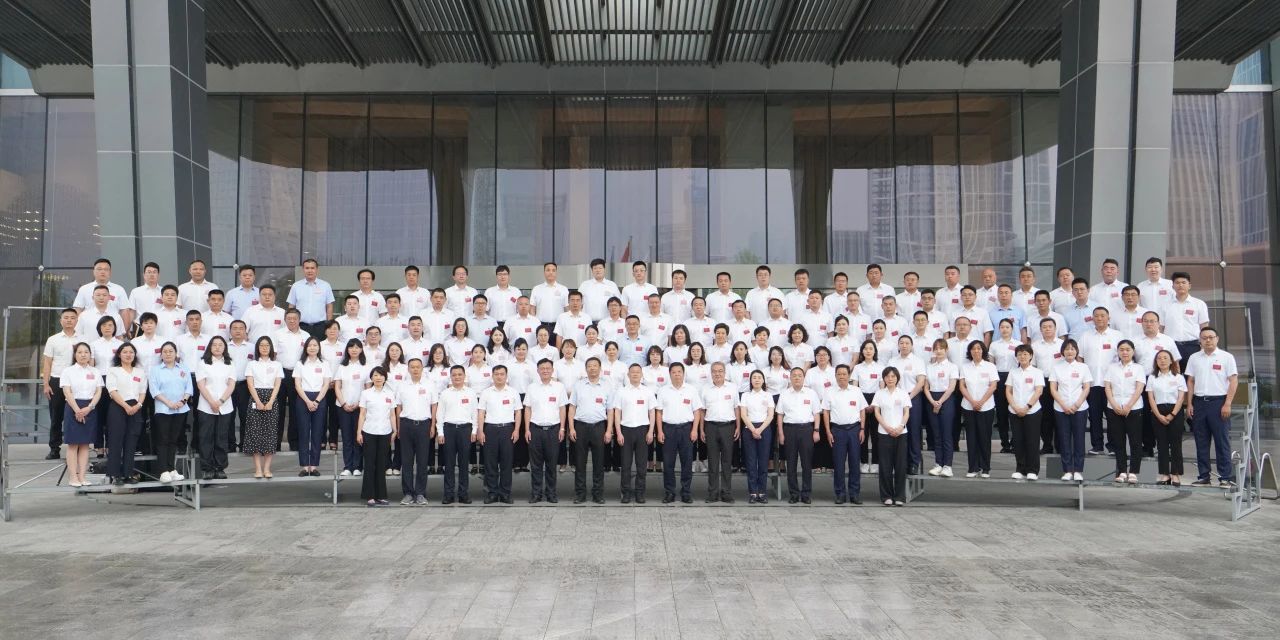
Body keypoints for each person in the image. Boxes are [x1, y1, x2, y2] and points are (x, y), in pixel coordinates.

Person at [1185, 327, 1238, 488]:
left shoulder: (1226, 357)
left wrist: (1227, 403)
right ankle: (1204, 476)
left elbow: (1233, 381)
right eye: (1204, 338)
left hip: (1218, 403)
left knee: (1222, 441)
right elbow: (1190, 381)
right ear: (1200, 341)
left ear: (1217, 339)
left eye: (1210, 337)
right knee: (1201, 441)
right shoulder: (1194, 358)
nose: (1207, 340)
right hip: (1199, 403)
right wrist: (1190, 403)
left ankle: (1225, 477)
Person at [1078, 306, 1122, 455]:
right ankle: (1097, 445)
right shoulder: (1086, 336)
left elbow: (1123, 356)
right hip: (1091, 383)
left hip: (1111, 384)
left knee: (1112, 416)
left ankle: (1113, 446)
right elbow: (1080, 358)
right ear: (1092, 319)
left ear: (1108, 318)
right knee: (1094, 416)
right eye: (1096, 316)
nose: (1099, 318)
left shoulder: (1117, 335)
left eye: (1103, 315)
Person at [570, 357, 613, 504]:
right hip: (580, 427)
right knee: (579, 463)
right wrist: (571, 427)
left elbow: (610, 410)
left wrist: (609, 430)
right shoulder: (578, 385)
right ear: (586, 368)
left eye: (595, 366)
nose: (592, 368)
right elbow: (572, 408)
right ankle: (580, 494)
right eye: (589, 366)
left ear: (600, 368)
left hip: (599, 427)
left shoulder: (607, 386)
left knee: (599, 463)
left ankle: (598, 494)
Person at [656, 362, 701, 504]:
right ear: (670, 374)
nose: (677, 374)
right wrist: (660, 431)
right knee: (668, 463)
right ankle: (669, 492)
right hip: (668, 429)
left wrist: (694, 430)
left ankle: (686, 492)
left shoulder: (691, 390)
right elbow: (659, 412)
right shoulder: (663, 390)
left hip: (686, 429)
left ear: (683, 373)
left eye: (679, 372)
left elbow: (697, 411)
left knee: (687, 463)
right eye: (674, 372)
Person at [524, 359, 568, 502]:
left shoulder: (559, 387)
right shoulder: (531, 387)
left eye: (548, 368)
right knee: (536, 465)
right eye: (542, 368)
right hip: (535, 429)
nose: (545, 371)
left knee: (551, 464)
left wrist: (562, 428)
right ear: (537, 371)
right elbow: (528, 409)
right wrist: (527, 429)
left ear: (552, 370)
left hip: (553, 429)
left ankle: (551, 493)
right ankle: (536, 494)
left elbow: (562, 408)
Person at [61, 342, 103, 487]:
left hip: (90, 407)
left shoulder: (95, 372)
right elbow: (67, 392)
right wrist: (77, 410)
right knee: (73, 444)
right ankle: (73, 477)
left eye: (86, 352)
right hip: (73, 406)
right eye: (79, 352)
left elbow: (98, 391)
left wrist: (89, 407)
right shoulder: (68, 371)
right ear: (75, 355)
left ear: (90, 355)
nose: (83, 355)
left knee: (85, 444)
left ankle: (82, 476)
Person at [1104, 340, 1146, 484]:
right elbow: (1107, 387)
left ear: (1133, 351)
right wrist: (1114, 404)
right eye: (1121, 349)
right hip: (1114, 407)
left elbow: (1139, 388)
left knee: (1135, 441)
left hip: (1134, 408)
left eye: (1128, 349)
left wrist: (1128, 406)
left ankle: (1133, 471)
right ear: (1118, 352)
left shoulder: (1138, 368)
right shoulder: (1112, 368)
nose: (1125, 352)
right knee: (1118, 441)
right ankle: (1121, 471)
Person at [776, 367, 821, 504]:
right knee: (791, 464)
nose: (797, 378)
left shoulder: (811, 393)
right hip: (789, 430)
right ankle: (794, 494)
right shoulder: (784, 394)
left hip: (806, 430)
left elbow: (816, 413)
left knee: (807, 464)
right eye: (794, 375)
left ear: (803, 378)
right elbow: (780, 415)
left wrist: (816, 430)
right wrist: (781, 433)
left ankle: (806, 494)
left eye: (799, 375)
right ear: (790, 378)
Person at [104, 342, 146, 485]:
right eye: (125, 352)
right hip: (118, 406)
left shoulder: (140, 372)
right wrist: (126, 406)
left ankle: (128, 473)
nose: (128, 355)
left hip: (136, 407)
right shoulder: (113, 371)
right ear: (119, 354)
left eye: (131, 352)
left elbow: (143, 391)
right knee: (116, 441)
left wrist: (138, 405)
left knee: (131, 442)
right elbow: (112, 390)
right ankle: (115, 475)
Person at [1049, 339, 1091, 482]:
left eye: (1072, 349)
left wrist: (1077, 405)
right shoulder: (1056, 367)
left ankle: (1078, 470)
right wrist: (1063, 405)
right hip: (1061, 409)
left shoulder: (1083, 367)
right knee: (1064, 439)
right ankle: (1067, 470)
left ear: (1077, 351)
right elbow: (1053, 389)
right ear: (1062, 351)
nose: (1070, 351)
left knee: (1079, 439)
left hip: (1080, 408)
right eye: (1067, 349)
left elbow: (1086, 387)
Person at [478, 364, 520, 504]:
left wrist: (516, 430)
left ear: (506, 376)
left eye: (502, 374)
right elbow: (481, 412)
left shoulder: (513, 392)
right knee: (490, 463)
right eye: (496, 374)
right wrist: (480, 431)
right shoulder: (486, 393)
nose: (499, 376)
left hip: (507, 429)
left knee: (506, 463)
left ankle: (505, 493)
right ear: (492, 376)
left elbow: (518, 412)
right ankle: (492, 493)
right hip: (490, 429)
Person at [148, 342, 190, 484]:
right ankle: (163, 470)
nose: (168, 354)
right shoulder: (155, 370)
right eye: (165, 351)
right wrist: (169, 403)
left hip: (180, 409)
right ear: (161, 355)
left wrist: (182, 401)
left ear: (176, 353)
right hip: (163, 409)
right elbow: (154, 390)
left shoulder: (183, 368)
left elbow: (189, 388)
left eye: (171, 351)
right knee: (163, 439)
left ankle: (172, 469)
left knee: (174, 439)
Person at [195, 335, 235, 480]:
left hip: (225, 406)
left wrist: (221, 401)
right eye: (214, 345)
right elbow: (201, 385)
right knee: (206, 437)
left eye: (220, 345)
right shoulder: (203, 363)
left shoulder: (230, 363)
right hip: (206, 406)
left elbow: (231, 384)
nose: (217, 347)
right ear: (210, 347)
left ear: (225, 347)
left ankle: (220, 467)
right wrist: (212, 402)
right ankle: (207, 468)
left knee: (221, 437)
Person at [436, 365, 478, 504]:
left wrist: (474, 430)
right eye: (454, 375)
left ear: (464, 376)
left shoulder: (471, 393)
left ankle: (463, 494)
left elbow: (475, 413)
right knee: (449, 464)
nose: (457, 377)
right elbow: (440, 414)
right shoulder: (445, 393)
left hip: (465, 429)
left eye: (460, 374)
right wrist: (440, 432)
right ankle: (448, 494)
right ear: (451, 377)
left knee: (464, 464)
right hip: (449, 429)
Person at [41, 308, 79, 461]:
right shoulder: (53, 339)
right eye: (66, 317)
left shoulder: (83, 339)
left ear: (76, 320)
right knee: (56, 417)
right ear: (61, 320)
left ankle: (76, 447)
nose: (69, 320)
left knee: (76, 415)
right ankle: (54, 449)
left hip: (76, 382)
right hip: (57, 381)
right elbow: (47, 363)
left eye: (72, 317)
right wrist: (46, 384)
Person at [395, 358, 435, 505]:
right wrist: (399, 427)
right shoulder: (402, 386)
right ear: (408, 369)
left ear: (422, 368)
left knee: (422, 461)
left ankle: (420, 493)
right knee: (407, 461)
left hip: (424, 425)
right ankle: (408, 493)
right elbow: (398, 407)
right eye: (412, 367)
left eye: (418, 367)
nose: (415, 369)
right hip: (406, 424)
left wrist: (433, 425)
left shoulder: (430, 385)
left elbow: (434, 406)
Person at [356, 367, 398, 506]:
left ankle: (381, 495)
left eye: (381, 375)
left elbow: (392, 415)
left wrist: (395, 430)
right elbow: (362, 414)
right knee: (369, 464)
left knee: (381, 464)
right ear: (372, 378)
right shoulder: (366, 393)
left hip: (385, 432)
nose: (378, 378)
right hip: (369, 431)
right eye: (375, 375)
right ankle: (369, 495)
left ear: (385, 378)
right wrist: (359, 432)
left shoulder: (390, 394)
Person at [824, 364, 865, 504]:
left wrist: (862, 429)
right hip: (837, 430)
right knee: (839, 464)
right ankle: (840, 494)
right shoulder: (829, 391)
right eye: (839, 374)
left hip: (854, 430)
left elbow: (862, 410)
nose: (841, 376)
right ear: (835, 376)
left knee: (854, 463)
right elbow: (826, 412)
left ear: (849, 376)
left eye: (844, 374)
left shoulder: (856, 391)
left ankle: (854, 494)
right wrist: (828, 431)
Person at [1147, 350, 1188, 486]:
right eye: (1159, 358)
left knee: (1176, 443)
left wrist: (1172, 414)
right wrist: (1158, 415)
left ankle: (1175, 473)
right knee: (1162, 444)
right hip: (1157, 411)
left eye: (1165, 358)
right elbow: (1151, 398)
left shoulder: (1178, 377)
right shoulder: (1152, 377)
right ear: (1156, 362)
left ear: (1171, 361)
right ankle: (1164, 474)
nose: (1162, 360)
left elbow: (1181, 398)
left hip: (1175, 411)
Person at [700, 362, 739, 503]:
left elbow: (736, 408)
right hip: (710, 426)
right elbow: (702, 411)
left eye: (720, 371)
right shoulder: (705, 389)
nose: (717, 374)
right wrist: (701, 429)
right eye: (715, 371)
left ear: (724, 372)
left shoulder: (732, 388)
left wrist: (738, 427)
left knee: (727, 462)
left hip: (728, 427)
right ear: (711, 373)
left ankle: (726, 492)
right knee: (713, 461)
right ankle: (713, 492)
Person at [244, 336, 282, 479]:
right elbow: (250, 384)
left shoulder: (277, 364)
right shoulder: (252, 364)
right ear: (257, 348)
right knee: (255, 432)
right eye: (261, 345)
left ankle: (267, 469)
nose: (264, 348)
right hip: (256, 396)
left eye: (267, 345)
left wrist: (271, 401)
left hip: (272, 397)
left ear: (271, 348)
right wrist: (258, 401)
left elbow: (277, 384)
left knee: (270, 433)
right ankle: (258, 469)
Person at [886, 336, 926, 475]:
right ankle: (899, 463)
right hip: (895, 398)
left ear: (912, 345)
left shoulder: (918, 361)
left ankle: (914, 463)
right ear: (898, 345)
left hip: (913, 397)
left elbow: (921, 382)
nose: (904, 345)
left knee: (913, 431)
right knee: (898, 430)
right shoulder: (892, 361)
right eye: (901, 343)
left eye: (907, 343)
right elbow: (887, 379)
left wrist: (908, 398)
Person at [872, 367, 911, 506]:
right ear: (884, 378)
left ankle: (900, 496)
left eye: (893, 376)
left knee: (900, 465)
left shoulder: (903, 393)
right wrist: (887, 427)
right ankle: (886, 496)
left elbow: (906, 412)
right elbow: (877, 412)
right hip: (884, 433)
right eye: (887, 376)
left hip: (901, 433)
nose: (890, 379)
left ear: (897, 378)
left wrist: (900, 426)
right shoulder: (879, 394)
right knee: (885, 466)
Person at [958, 340, 997, 478]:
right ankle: (973, 467)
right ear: (970, 352)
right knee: (971, 438)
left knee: (985, 437)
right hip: (968, 406)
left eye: (979, 348)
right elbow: (962, 386)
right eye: (973, 349)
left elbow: (993, 386)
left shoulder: (990, 366)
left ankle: (985, 468)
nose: (976, 351)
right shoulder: (965, 367)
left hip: (986, 407)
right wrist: (972, 401)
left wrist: (981, 402)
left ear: (983, 351)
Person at [1006, 344, 1044, 480]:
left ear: (1031, 356)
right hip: (1015, 411)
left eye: (1025, 354)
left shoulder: (1037, 372)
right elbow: (1008, 391)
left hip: (1032, 411)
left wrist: (1027, 407)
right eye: (1019, 354)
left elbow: (1038, 391)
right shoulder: (1013, 372)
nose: (1022, 356)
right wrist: (1015, 407)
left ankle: (1032, 470)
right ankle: (1020, 469)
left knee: (1032, 441)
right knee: (1018, 440)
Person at [293, 338, 331, 477]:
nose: (312, 347)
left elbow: (326, 384)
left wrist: (316, 401)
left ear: (319, 348)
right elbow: (297, 384)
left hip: (319, 398)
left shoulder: (324, 363)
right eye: (310, 345)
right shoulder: (300, 363)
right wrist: (308, 401)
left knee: (317, 432)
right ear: (305, 348)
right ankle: (305, 466)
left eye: (315, 345)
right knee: (303, 432)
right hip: (303, 397)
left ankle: (314, 466)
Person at [334, 338, 372, 477]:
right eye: (351, 347)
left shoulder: (366, 367)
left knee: (358, 436)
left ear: (361, 349)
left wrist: (359, 403)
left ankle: (357, 466)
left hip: (360, 407)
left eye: (357, 347)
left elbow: (368, 388)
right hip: (343, 407)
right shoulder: (342, 367)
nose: (354, 350)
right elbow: (337, 387)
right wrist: (344, 403)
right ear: (347, 350)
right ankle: (347, 466)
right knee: (346, 437)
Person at [272, 309, 308, 452]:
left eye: (295, 318)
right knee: (278, 410)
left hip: (298, 375)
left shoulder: (306, 335)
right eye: (289, 318)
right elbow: (273, 355)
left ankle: (294, 443)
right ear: (285, 319)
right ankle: (275, 444)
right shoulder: (277, 334)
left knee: (295, 409)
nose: (292, 321)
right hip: (280, 374)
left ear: (299, 319)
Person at [925, 339, 959, 477]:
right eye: (936, 348)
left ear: (946, 350)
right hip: (932, 399)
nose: (938, 351)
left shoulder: (952, 367)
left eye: (941, 348)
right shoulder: (929, 367)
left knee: (946, 434)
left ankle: (947, 466)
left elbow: (952, 387)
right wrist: (933, 401)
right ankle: (938, 464)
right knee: (936, 434)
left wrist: (940, 402)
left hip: (946, 399)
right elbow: (926, 387)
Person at [1164, 272, 1211, 369]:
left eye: (1183, 282)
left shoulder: (1199, 304)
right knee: (1173, 375)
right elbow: (1160, 327)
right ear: (1172, 286)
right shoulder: (1165, 305)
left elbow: (1204, 327)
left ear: (1189, 286)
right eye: (1177, 283)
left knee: (1192, 374)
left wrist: (1204, 345)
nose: (1180, 285)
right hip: (1171, 346)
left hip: (1193, 346)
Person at [989, 318, 1020, 453]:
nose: (1005, 329)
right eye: (1002, 327)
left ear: (1012, 329)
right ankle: (1005, 443)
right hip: (999, 377)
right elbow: (991, 364)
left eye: (1007, 327)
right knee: (1001, 412)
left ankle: (1015, 442)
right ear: (999, 329)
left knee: (1015, 409)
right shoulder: (994, 345)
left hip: (1015, 377)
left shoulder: (1018, 344)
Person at [286, 258, 334, 340]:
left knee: (320, 347)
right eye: (307, 268)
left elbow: (329, 306)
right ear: (303, 270)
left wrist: (329, 326)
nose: (310, 270)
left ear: (317, 269)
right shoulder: (296, 286)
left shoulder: (325, 285)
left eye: (312, 268)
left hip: (321, 327)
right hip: (301, 326)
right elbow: (291, 306)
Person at [852, 340, 881, 473]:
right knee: (862, 433)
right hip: (861, 399)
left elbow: (882, 388)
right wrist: (862, 404)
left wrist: (874, 404)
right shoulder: (857, 368)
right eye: (865, 348)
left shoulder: (880, 367)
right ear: (862, 351)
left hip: (876, 401)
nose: (868, 351)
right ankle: (863, 461)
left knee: (876, 434)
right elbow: (855, 387)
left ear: (874, 351)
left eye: (871, 348)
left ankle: (875, 462)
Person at [530, 262, 569, 337]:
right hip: (541, 327)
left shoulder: (563, 289)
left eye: (553, 270)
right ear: (544, 272)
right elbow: (532, 309)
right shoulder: (536, 289)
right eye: (548, 270)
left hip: (558, 327)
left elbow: (567, 309)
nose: (551, 272)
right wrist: (534, 324)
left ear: (556, 272)